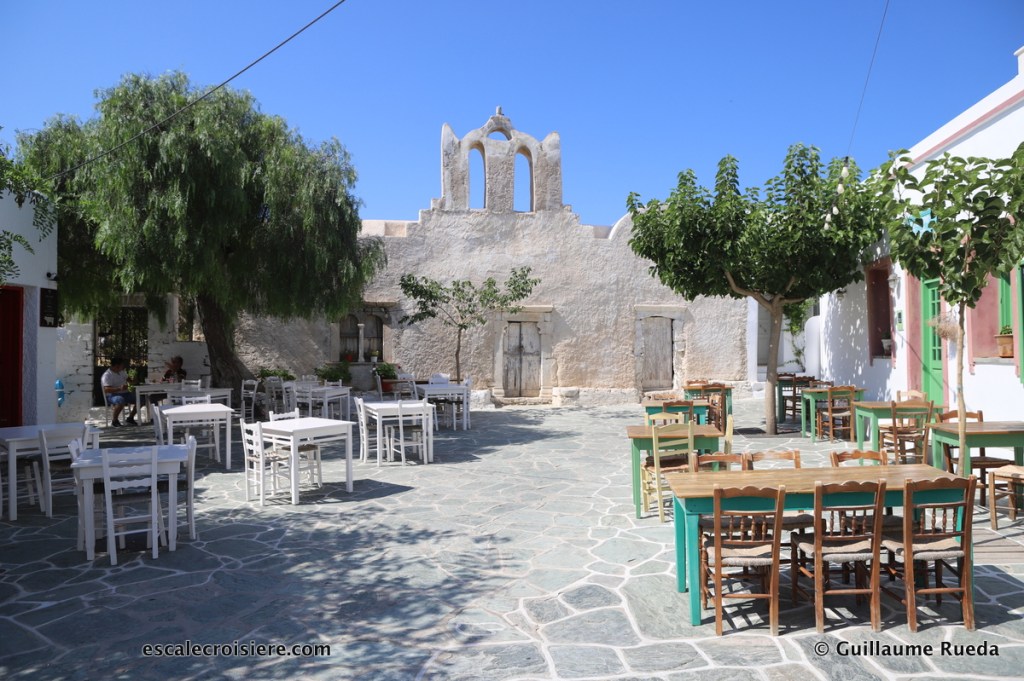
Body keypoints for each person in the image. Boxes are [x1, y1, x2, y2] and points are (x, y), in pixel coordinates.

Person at [101, 357, 137, 427]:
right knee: (120, 400)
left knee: (141, 399)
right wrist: (119, 388)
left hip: (126, 393)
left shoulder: (122, 372)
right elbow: (106, 390)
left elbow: (130, 381)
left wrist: (134, 380)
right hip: (112, 395)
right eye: (122, 365)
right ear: (117, 366)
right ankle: (114, 420)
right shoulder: (107, 375)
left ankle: (130, 418)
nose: (123, 367)